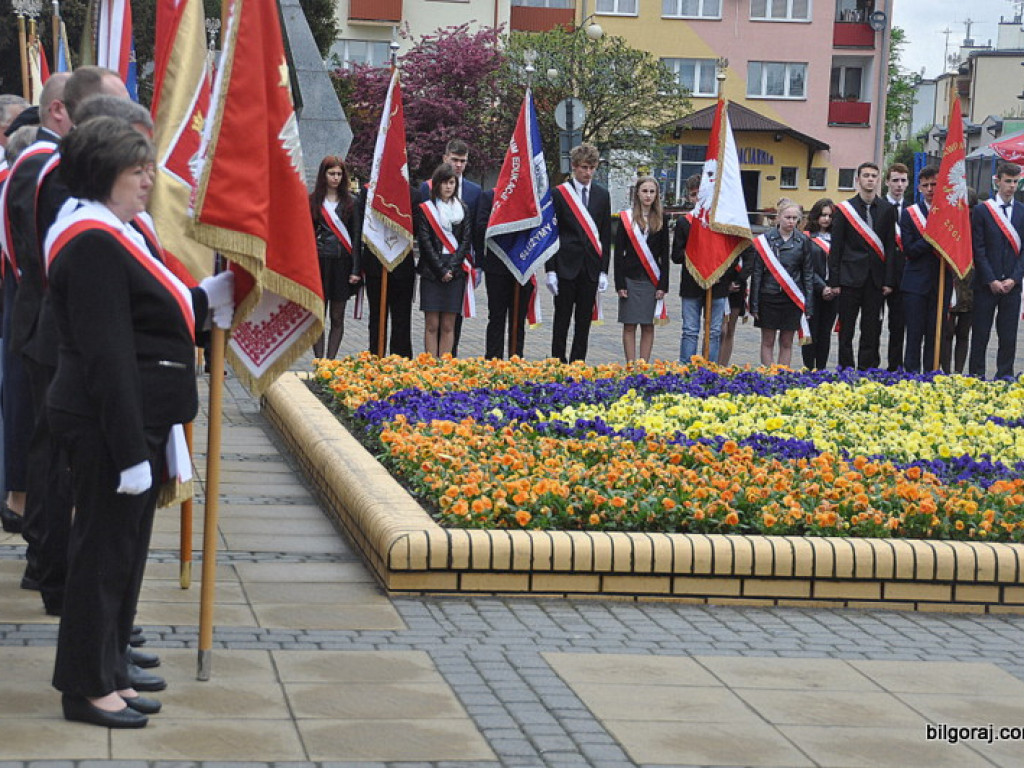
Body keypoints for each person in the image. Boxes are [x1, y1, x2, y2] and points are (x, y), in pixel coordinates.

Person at [44, 117, 234, 728]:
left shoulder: (112, 231)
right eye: (137, 170)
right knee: (101, 558)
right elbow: (107, 355)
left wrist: (208, 295)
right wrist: (129, 451)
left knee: (121, 557)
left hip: (129, 421)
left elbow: (151, 315)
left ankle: (110, 671)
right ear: (104, 174)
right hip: (107, 425)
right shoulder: (92, 240)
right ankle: (86, 686)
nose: (149, 180)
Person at [828, 161, 897, 370]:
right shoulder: (844, 210)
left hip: (875, 281)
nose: (870, 179)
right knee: (846, 329)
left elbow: (890, 247)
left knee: (871, 328)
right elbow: (836, 248)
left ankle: (868, 369)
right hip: (849, 279)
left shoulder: (887, 209)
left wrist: (889, 281)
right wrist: (834, 281)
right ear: (858, 180)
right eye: (866, 175)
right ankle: (846, 368)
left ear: (878, 180)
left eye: (874, 176)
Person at [546, 143, 611, 363]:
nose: (588, 172)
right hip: (565, 266)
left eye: (592, 167)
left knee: (583, 322)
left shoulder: (602, 195)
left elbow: (605, 235)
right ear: (574, 166)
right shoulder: (559, 194)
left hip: (590, 268)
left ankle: (578, 363)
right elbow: (552, 233)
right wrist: (550, 270)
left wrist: (604, 271)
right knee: (561, 320)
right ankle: (557, 362)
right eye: (584, 167)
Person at [419, 139, 481, 357]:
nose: (448, 186)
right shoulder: (427, 204)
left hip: (455, 270)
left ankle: (446, 365)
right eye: (444, 183)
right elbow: (424, 240)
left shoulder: (464, 207)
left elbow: (466, 240)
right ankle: (430, 365)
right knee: (432, 324)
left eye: (452, 183)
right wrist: (440, 269)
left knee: (449, 325)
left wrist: (453, 268)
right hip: (432, 270)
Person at [969, 161, 1024, 379]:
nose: (1012, 186)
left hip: (1012, 285)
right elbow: (978, 248)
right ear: (997, 181)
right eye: (1008, 181)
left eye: (1015, 182)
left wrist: (1014, 278)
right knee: (980, 334)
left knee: (1008, 336)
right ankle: (976, 377)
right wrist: (991, 279)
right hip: (986, 284)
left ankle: (1005, 377)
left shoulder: (1022, 211)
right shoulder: (982, 211)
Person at [671, 174, 733, 364]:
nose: (698, 198)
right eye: (693, 195)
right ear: (689, 197)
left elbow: (730, 254)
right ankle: (686, 367)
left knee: (714, 331)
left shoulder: (720, 222)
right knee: (690, 330)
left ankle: (710, 368)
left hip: (717, 283)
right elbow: (676, 256)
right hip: (691, 284)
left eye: (701, 193)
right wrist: (697, 255)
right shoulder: (684, 222)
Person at [750, 199, 815, 367]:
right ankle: (768, 375)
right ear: (778, 217)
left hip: (792, 298)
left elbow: (808, 274)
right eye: (787, 217)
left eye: (794, 218)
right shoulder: (765, 240)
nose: (791, 221)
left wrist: (808, 303)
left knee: (787, 342)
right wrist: (754, 303)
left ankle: (782, 376)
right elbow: (757, 274)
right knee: (768, 340)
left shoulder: (803, 241)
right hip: (769, 295)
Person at [899, 168, 951, 372]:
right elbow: (910, 250)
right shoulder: (910, 214)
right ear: (919, 188)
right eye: (925, 185)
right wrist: (931, 237)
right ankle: (911, 376)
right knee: (914, 335)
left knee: (935, 334)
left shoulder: (950, 214)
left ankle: (931, 375)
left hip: (941, 282)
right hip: (915, 285)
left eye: (934, 185)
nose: (930, 189)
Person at [310, 156, 361, 359]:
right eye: (332, 173)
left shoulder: (352, 202)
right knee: (318, 318)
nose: (336, 178)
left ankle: (331, 363)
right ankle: (319, 362)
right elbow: (306, 235)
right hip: (319, 264)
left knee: (337, 316)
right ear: (323, 175)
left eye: (339, 174)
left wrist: (356, 270)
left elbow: (356, 237)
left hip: (342, 264)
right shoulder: (313, 201)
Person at [475, 188, 535, 359]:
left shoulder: (528, 197)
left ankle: (516, 358)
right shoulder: (489, 196)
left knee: (518, 319)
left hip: (521, 266)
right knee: (496, 317)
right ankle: (494, 359)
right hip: (496, 267)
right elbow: (480, 227)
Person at [614, 176, 668, 363]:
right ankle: (630, 365)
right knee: (629, 325)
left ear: (656, 195)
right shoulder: (626, 218)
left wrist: (663, 285)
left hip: (651, 280)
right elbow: (618, 254)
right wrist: (619, 283)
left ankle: (643, 366)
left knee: (648, 325)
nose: (648, 195)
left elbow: (665, 255)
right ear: (637, 193)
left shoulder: (662, 219)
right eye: (644, 191)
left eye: (652, 192)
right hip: (629, 279)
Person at [362, 180, 415, 358]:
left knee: (402, 318)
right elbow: (359, 230)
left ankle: (400, 362)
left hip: (403, 266)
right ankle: (376, 358)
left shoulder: (413, 195)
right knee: (377, 317)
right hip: (375, 266)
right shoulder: (368, 194)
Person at [801, 198, 838, 370]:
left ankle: (822, 369)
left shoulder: (838, 237)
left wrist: (834, 286)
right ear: (816, 215)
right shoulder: (807, 238)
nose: (826, 219)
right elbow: (806, 267)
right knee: (811, 332)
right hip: (813, 291)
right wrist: (822, 287)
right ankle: (809, 369)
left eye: (830, 216)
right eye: (823, 215)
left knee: (825, 333)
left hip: (833, 291)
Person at [884, 163, 910, 371]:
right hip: (879, 276)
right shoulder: (877, 207)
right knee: (872, 325)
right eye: (895, 180)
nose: (899, 185)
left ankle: (895, 367)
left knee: (898, 325)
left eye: (903, 180)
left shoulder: (912, 210)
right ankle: (869, 366)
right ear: (887, 182)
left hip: (903, 276)